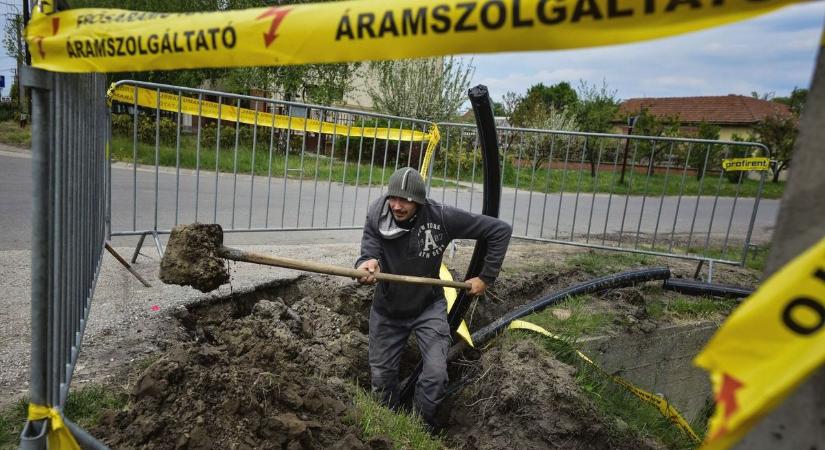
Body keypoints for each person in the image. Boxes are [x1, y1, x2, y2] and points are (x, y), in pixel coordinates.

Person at [355, 166, 512, 429]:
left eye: (405, 200)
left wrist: (485, 278)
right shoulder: (377, 214)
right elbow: (369, 251)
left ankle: (419, 429)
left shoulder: (440, 217)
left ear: (419, 201)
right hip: (388, 310)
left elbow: (499, 230)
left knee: (436, 374)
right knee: (382, 379)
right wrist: (368, 265)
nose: (397, 205)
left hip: (428, 307)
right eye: (393, 198)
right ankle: (385, 428)